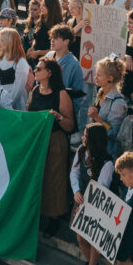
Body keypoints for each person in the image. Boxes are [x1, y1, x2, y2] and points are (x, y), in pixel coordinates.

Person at [29, 58, 76, 236]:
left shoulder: (61, 94)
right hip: (38, 140)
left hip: (55, 140)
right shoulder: (35, 90)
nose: (35, 70)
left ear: (49, 72)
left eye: (39, 68)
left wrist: (58, 117)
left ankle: (54, 219)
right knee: (38, 177)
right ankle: (39, 215)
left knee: (54, 179)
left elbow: (70, 125)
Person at [71, 122, 115, 265]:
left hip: (95, 205)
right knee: (80, 236)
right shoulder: (81, 152)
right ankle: (90, 262)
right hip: (80, 199)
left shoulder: (106, 163)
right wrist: (76, 191)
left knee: (92, 238)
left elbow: (102, 187)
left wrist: (88, 203)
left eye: (86, 136)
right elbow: (74, 172)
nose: (82, 138)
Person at [87, 58, 127, 146]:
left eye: (99, 75)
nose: (95, 77)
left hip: (107, 151)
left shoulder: (118, 103)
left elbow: (113, 133)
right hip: (94, 145)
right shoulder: (100, 91)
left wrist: (97, 118)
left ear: (110, 78)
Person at [0, 27, 31, 110]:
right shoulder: (0, 57)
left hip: (15, 101)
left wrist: (7, 103)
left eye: (1, 41)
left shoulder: (20, 62)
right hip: (1, 98)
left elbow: (18, 88)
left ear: (9, 42)